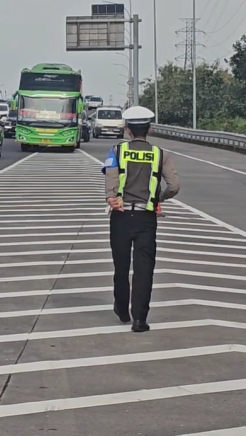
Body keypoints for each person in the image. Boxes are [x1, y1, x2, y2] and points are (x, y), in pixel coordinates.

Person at [101, 106, 180, 333]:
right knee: (144, 267)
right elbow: (174, 186)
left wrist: (111, 198)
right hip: (146, 218)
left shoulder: (117, 151)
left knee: (121, 264)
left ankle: (122, 309)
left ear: (127, 130)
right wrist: (158, 198)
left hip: (121, 216)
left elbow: (110, 177)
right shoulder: (160, 154)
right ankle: (140, 319)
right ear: (150, 129)